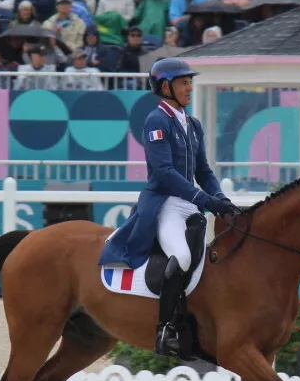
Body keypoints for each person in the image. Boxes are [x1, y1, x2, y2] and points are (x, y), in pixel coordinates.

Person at [97, 57, 237, 358]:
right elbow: (163, 173)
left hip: (190, 205)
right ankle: (166, 329)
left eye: (190, 82)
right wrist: (204, 199)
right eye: (183, 82)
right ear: (165, 86)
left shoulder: (193, 124)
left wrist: (220, 199)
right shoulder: (156, 121)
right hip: (166, 205)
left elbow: (203, 170)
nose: (189, 87)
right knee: (183, 256)